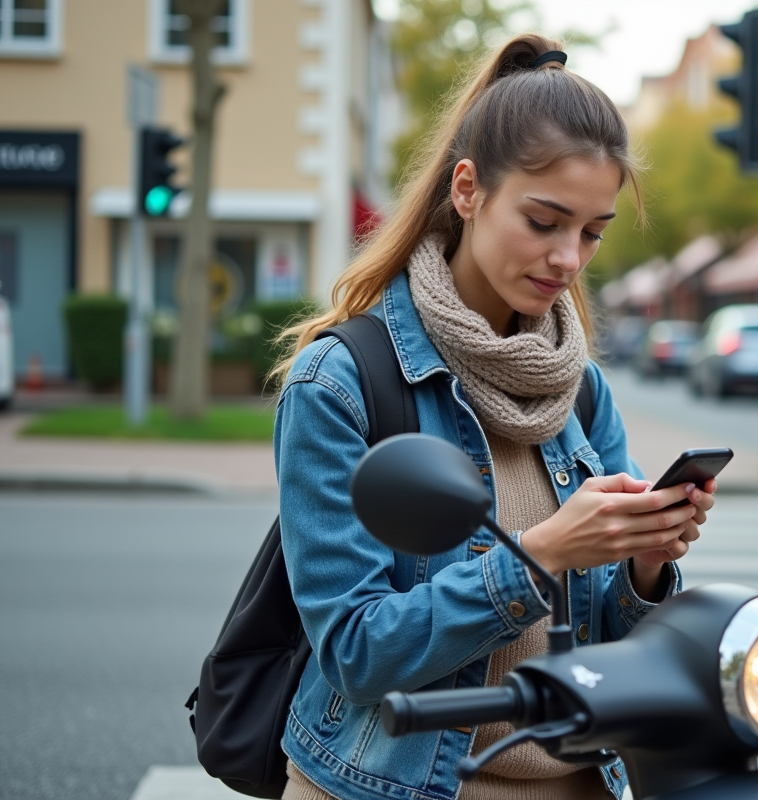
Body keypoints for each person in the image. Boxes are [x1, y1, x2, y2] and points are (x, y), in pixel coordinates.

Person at [271, 34, 718, 800]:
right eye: (544, 222)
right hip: (393, 786)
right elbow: (354, 651)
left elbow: (616, 646)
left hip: (581, 783)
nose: (570, 258)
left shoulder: (580, 388)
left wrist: (647, 561)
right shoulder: (341, 382)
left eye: (592, 232)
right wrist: (542, 553)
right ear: (468, 189)